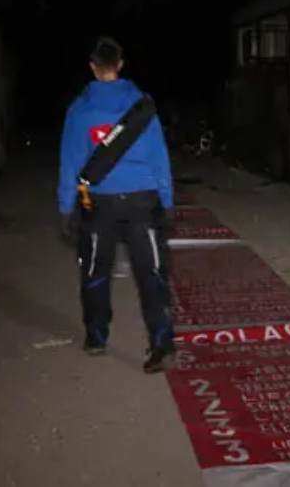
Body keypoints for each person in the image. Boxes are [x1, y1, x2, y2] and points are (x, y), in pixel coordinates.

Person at [58, 37, 177, 373]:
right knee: (152, 275)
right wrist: (167, 201)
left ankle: (96, 337)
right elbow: (159, 157)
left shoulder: (79, 110)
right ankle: (162, 345)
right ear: (121, 65)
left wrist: (67, 206)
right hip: (143, 200)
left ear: (93, 66)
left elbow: (70, 163)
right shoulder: (143, 104)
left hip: (100, 204)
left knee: (95, 272)